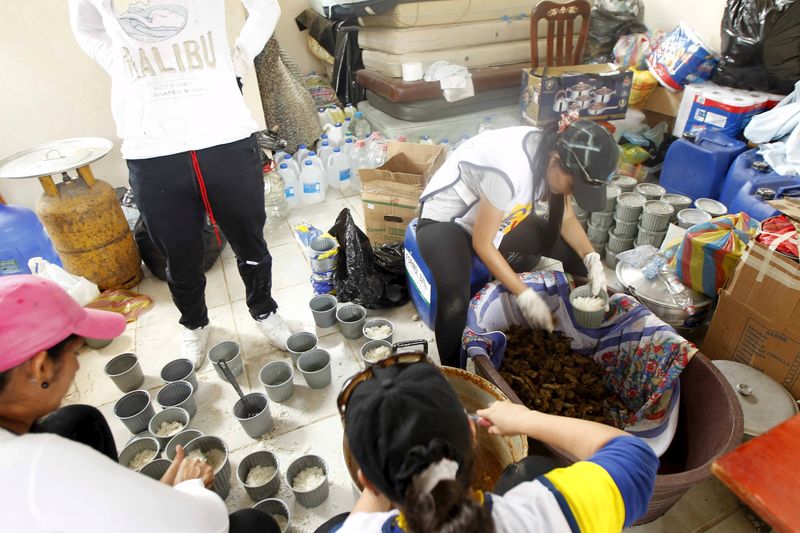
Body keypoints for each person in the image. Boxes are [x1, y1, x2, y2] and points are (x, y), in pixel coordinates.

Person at [68, 0, 292, 368]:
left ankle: (265, 311)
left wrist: (240, 55)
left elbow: (265, 8)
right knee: (178, 254)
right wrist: (122, 65)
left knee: (251, 241)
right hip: (151, 144)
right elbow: (86, 28)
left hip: (224, 134)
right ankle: (194, 323)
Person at [0, 275, 280, 533]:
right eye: (75, 353)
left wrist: (155, 493)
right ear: (41, 369)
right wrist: (190, 487)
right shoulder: (45, 467)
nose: (76, 366)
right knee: (254, 524)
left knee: (78, 420)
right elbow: (207, 522)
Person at [332, 356, 658, 533]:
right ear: (473, 436)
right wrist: (527, 418)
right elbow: (635, 456)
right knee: (533, 467)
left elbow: (361, 517)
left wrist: (383, 474)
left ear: (367, 483)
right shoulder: (546, 514)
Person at [417, 120, 617, 366]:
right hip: (449, 220)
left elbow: (565, 218)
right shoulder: (510, 169)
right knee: (456, 298)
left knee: (572, 254)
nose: (572, 193)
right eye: (574, 186)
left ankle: (576, 330)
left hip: (499, 218)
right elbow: (483, 243)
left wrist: (591, 258)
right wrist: (525, 295)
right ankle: (455, 375)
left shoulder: (553, 153)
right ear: (556, 160)